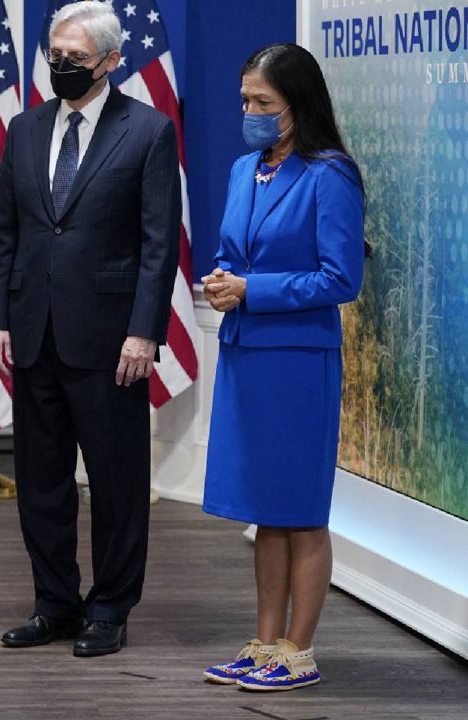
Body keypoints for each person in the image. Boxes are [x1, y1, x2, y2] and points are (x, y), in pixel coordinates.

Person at [0, 0, 181, 657]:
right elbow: (3, 231)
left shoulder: (148, 131)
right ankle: (55, 604)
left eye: (75, 59)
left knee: (117, 483)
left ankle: (110, 608)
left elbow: (159, 244)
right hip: (33, 331)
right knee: (41, 481)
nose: (60, 67)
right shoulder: (25, 128)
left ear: (112, 62)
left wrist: (145, 331)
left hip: (111, 337)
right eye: (54, 56)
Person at [199, 43, 365, 692]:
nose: (251, 112)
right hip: (247, 357)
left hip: (298, 363)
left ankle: (299, 650)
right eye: (245, 101)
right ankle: (264, 641)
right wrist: (221, 280)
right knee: (265, 510)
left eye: (263, 103)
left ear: (298, 104)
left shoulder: (331, 175)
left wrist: (253, 291)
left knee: (301, 511)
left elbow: (339, 277)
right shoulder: (246, 170)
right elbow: (231, 251)